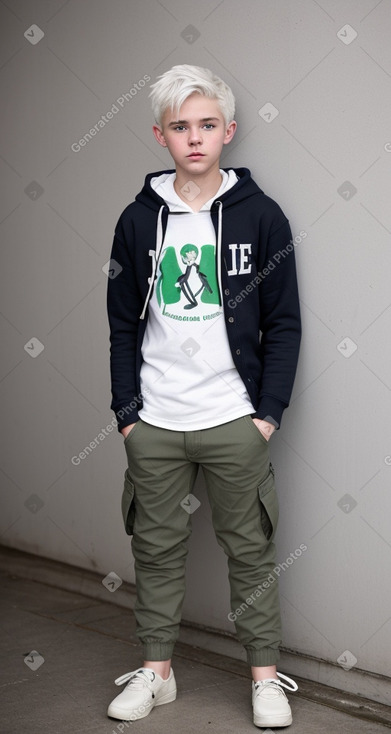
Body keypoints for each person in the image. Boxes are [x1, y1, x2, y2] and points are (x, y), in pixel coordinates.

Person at [106, 64, 301, 729]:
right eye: (181, 127)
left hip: (232, 419)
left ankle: (265, 680)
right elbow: (121, 322)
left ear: (229, 132)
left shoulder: (261, 217)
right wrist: (127, 414)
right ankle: (156, 673)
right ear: (160, 135)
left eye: (207, 125)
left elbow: (284, 322)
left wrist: (266, 416)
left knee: (250, 552)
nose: (195, 138)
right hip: (155, 421)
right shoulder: (137, 222)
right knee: (154, 552)